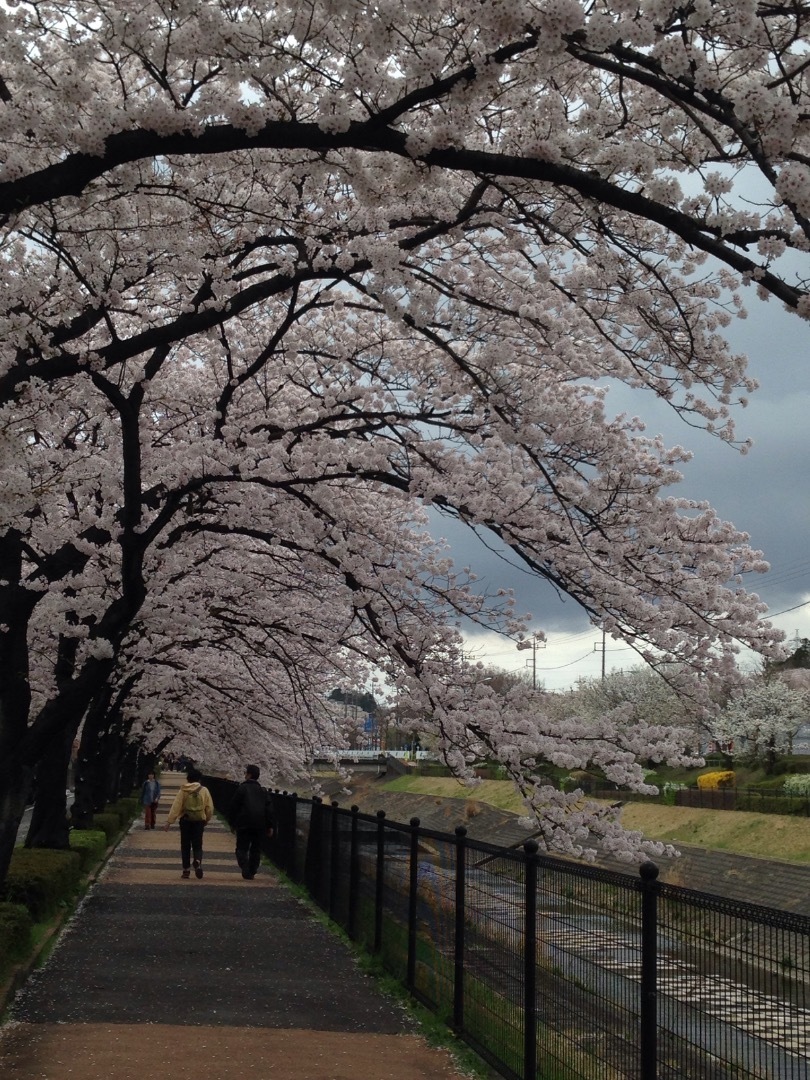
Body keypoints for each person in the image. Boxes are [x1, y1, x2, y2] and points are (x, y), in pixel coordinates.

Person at [164, 767, 214, 879]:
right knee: (198, 844)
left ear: (188, 779)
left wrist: (169, 821)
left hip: (186, 820)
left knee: (185, 845)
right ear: (199, 779)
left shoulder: (183, 790)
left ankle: (186, 870)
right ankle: (197, 861)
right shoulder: (204, 790)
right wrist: (206, 819)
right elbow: (209, 808)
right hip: (199, 821)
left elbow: (176, 806)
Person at [227, 764, 274, 880]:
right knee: (256, 848)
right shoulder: (263, 791)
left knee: (241, 847)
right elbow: (269, 809)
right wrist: (270, 826)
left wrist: (232, 823)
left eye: (246, 773)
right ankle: (252, 870)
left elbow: (234, 807)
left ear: (249, 775)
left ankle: (245, 867)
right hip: (260, 824)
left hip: (244, 823)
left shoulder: (242, 789)